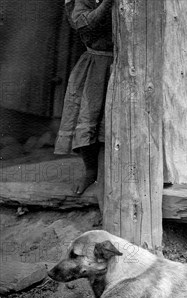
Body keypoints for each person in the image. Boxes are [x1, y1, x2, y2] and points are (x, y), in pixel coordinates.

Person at [54, 0, 113, 195]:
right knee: (88, 118)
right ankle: (90, 171)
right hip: (97, 64)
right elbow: (83, 23)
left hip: (129, 64)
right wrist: (107, 4)